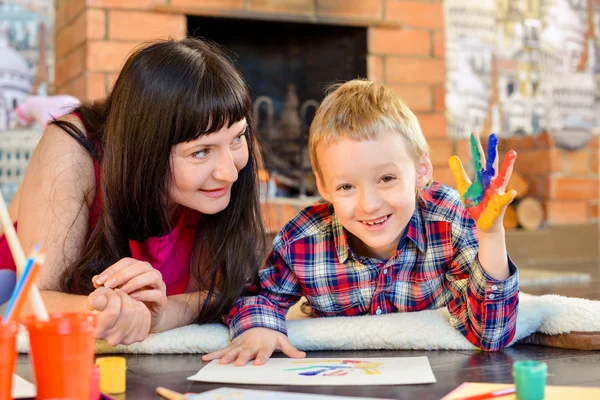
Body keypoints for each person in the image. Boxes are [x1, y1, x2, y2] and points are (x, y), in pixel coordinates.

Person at [204, 79, 519, 366]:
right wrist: (259, 326)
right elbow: (257, 296)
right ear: (324, 187)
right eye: (346, 187)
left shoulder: (449, 217)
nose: (369, 204)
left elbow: (491, 336)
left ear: (421, 170)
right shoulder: (304, 237)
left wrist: (491, 234)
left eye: (386, 178)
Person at [0, 38, 266, 346]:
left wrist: (165, 314)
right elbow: (29, 302)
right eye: (201, 152)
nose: (230, 172)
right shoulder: (71, 149)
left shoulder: (221, 166)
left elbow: (235, 288)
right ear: (146, 151)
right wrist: (109, 309)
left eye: (237, 138)